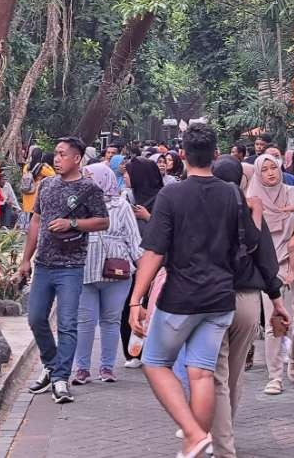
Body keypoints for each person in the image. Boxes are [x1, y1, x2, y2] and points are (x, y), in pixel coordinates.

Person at [128, 123, 278, 458]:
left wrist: (137, 299)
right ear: (215, 154)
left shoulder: (171, 195)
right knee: (201, 374)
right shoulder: (230, 194)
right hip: (220, 299)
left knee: (155, 363)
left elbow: (154, 252)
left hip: (181, 298)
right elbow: (249, 243)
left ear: (181, 155)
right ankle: (197, 445)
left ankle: (195, 435)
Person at [205, 155, 289, 458]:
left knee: (216, 373)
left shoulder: (205, 210)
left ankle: (220, 440)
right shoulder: (250, 209)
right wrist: (277, 302)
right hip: (248, 301)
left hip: (213, 300)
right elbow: (266, 259)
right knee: (234, 375)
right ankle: (225, 432)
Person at [18, 137, 109, 404]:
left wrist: (72, 223)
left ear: (77, 158)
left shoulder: (88, 188)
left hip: (71, 265)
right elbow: (36, 220)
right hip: (43, 265)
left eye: (62, 154)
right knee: (35, 318)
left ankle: (60, 379)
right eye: (55, 154)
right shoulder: (46, 185)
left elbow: (103, 221)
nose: (56, 159)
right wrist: (26, 259)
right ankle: (51, 364)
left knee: (68, 324)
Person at [71, 161, 142, 385]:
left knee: (111, 321)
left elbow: (134, 240)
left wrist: (145, 274)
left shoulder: (121, 206)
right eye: (85, 177)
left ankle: (107, 368)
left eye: (90, 177)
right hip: (84, 272)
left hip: (117, 274)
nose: (86, 180)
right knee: (85, 322)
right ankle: (81, 369)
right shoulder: (78, 204)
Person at [247, 153, 294, 394]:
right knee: (274, 322)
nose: (271, 172)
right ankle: (275, 375)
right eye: (265, 169)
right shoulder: (251, 198)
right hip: (268, 265)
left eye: (274, 168)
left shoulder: (293, 193)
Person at [120, 155, 164, 368]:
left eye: (128, 173)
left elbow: (169, 230)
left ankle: (153, 350)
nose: (125, 177)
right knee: (130, 306)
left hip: (156, 261)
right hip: (130, 263)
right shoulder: (126, 198)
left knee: (152, 306)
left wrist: (148, 217)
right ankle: (133, 352)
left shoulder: (162, 198)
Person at [20, 146, 55, 230]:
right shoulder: (42, 168)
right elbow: (53, 175)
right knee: (35, 212)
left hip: (27, 191)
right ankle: (33, 229)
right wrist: (48, 166)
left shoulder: (26, 167)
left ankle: (25, 227)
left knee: (28, 212)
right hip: (35, 192)